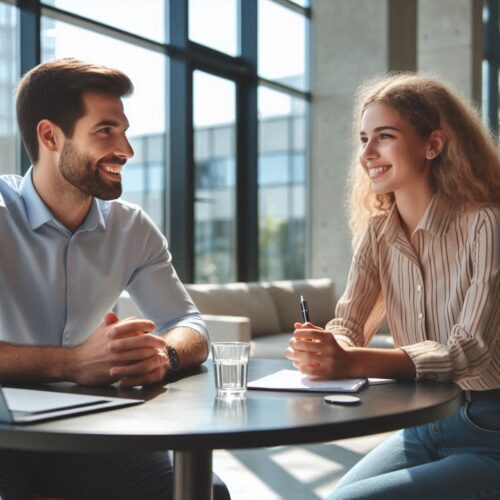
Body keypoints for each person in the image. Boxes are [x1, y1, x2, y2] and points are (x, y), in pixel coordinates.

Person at [0, 58, 230, 499]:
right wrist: (69, 363)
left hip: (94, 431)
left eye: (123, 130)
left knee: (203, 493)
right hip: (1, 434)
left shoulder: (131, 228)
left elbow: (189, 325)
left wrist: (165, 355)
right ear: (50, 135)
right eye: (105, 130)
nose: (126, 149)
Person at [286, 73, 500, 500]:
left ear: (432, 144)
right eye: (364, 138)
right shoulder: (378, 232)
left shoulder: (487, 222)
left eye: (384, 136)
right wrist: (328, 344)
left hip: (489, 430)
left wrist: (351, 362)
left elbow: (468, 349)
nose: (366, 153)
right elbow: (349, 322)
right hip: (422, 421)